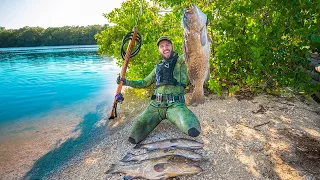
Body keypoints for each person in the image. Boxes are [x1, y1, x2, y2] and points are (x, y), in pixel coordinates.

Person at [117, 36, 201, 144]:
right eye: (162, 46)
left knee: (193, 129)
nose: (165, 48)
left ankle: (175, 117)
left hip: (176, 106)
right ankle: (155, 118)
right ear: (159, 50)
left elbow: (194, 52)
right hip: (155, 106)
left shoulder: (181, 61)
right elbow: (144, 82)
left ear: (172, 46)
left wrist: (199, 30)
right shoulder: (157, 68)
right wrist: (126, 82)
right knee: (134, 136)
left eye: (167, 45)